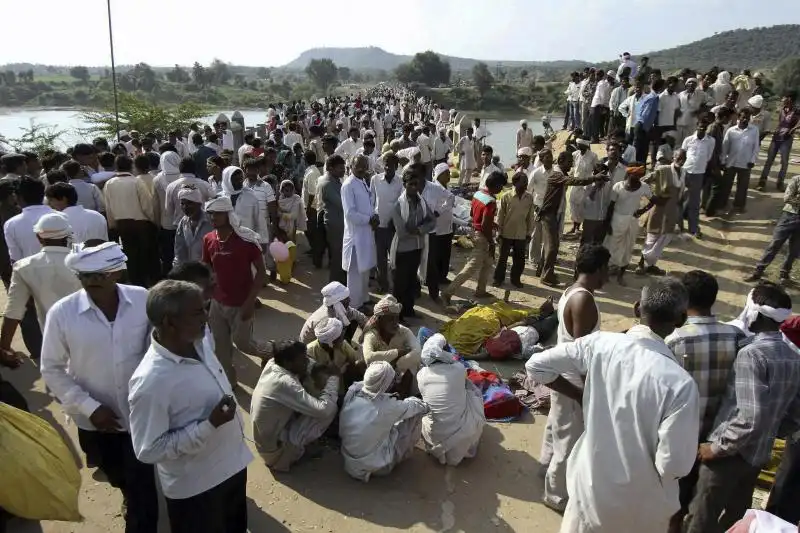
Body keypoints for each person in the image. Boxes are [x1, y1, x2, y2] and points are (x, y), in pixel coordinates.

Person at [526, 278, 700, 533]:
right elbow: (674, 464)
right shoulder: (681, 385)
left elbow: (536, 366)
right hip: (639, 507)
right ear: (681, 319)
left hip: (589, 490)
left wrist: (580, 396)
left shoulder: (599, 344)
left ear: (637, 308)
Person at [40, 242, 159, 532]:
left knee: (141, 483)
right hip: (95, 422)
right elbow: (51, 368)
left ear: (117, 272)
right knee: (114, 472)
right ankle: (127, 493)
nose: (92, 281)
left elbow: (161, 346)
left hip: (138, 416)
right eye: (85, 275)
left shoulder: (143, 300)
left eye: (100, 274)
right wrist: (90, 408)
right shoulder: (62, 313)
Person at [128, 280, 252, 533]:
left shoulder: (199, 342)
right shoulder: (151, 381)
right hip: (197, 489)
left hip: (232, 467)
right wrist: (208, 426)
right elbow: (148, 450)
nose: (207, 317)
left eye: (205, 308)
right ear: (168, 322)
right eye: (197, 313)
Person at [684, 283, 798, 533]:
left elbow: (749, 417)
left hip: (728, 457)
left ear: (755, 314)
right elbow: (794, 416)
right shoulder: (792, 356)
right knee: (735, 520)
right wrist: (769, 431)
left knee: (701, 519)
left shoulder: (752, 354)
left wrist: (716, 448)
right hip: (757, 456)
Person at [664, 271, 745, 533]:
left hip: (681, 436)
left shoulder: (674, 340)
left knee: (672, 499)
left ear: (683, 300)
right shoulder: (735, 336)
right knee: (695, 502)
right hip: (716, 441)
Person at [538, 243, 608, 513]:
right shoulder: (583, 299)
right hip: (573, 376)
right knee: (569, 437)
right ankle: (555, 495)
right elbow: (581, 351)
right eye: (607, 271)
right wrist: (590, 386)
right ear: (599, 269)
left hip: (563, 367)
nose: (608, 277)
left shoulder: (572, 291)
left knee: (557, 424)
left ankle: (545, 465)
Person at [202, 196, 272, 386]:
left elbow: (261, 274)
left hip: (242, 303)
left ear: (228, 215)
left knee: (243, 343)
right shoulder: (208, 240)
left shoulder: (245, 241)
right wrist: (207, 296)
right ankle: (228, 385)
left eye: (217, 213)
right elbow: (206, 268)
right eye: (211, 214)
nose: (213, 218)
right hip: (217, 304)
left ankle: (273, 352)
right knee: (221, 348)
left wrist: (250, 302)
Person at [0, 213, 81, 362]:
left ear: (39, 237)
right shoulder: (85, 261)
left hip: (53, 344)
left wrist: (4, 347)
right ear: (69, 235)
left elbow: (13, 310)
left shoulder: (24, 267)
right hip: (93, 339)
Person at [251, 340, 339, 472]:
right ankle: (293, 453)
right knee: (329, 408)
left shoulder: (273, 363)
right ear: (288, 362)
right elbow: (324, 410)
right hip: (274, 453)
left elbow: (309, 365)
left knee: (308, 385)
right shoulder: (285, 383)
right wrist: (333, 378)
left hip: (267, 439)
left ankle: (294, 443)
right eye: (303, 360)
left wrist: (319, 367)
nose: (307, 362)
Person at [339, 360, 429, 482]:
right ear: (385, 383)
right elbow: (416, 407)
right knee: (414, 415)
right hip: (378, 467)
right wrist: (425, 404)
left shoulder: (352, 391)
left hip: (349, 462)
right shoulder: (387, 407)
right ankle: (402, 453)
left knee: (384, 424)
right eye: (392, 380)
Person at [537, 153, 605, 286]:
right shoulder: (557, 174)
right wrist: (594, 178)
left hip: (554, 213)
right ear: (561, 161)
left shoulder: (559, 173)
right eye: (569, 162)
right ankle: (546, 276)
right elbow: (574, 181)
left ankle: (544, 272)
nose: (571, 165)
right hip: (549, 214)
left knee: (551, 246)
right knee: (552, 246)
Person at [417, 333, 485, 466]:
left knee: (426, 412)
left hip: (434, 437)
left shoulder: (421, 375)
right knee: (472, 393)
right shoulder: (459, 369)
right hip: (463, 438)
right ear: (445, 351)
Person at [441, 171, 506, 305]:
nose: (501, 189)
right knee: (471, 267)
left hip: (474, 231)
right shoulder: (491, 201)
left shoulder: (478, 194)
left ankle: (481, 290)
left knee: (488, 262)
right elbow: (485, 225)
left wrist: (489, 223)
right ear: (496, 185)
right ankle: (448, 292)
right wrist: (491, 242)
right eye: (501, 186)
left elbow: (473, 214)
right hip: (482, 236)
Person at [104, 155, 159, 287]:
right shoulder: (136, 182)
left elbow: (108, 207)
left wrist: (112, 225)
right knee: (144, 255)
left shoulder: (109, 184)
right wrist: (154, 221)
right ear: (131, 166)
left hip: (122, 225)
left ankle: (135, 283)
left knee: (130, 256)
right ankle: (146, 284)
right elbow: (147, 206)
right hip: (140, 225)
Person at [390, 164, 435, 318]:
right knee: (400, 285)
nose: (414, 188)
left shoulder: (421, 202)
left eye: (417, 184)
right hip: (403, 251)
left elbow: (432, 221)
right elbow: (402, 232)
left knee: (412, 283)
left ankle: (409, 311)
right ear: (404, 185)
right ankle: (397, 316)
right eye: (411, 184)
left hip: (417, 249)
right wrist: (420, 229)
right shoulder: (399, 205)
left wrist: (418, 230)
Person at [638, 149, 687, 275]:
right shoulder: (663, 170)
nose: (680, 160)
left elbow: (681, 192)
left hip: (672, 211)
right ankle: (641, 264)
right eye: (678, 157)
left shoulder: (683, 172)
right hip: (659, 208)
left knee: (664, 238)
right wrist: (652, 196)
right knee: (652, 237)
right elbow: (644, 180)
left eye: (683, 158)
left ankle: (651, 265)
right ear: (673, 157)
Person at [744, 173, 800, 283]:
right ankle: (758, 271)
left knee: (794, 250)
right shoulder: (797, 179)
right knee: (774, 244)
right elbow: (787, 198)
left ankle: (784, 274)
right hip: (790, 216)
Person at [603, 166, 655, 284]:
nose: (637, 178)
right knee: (611, 246)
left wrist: (642, 211)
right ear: (629, 174)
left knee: (628, 247)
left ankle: (620, 276)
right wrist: (607, 224)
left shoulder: (644, 187)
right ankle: (606, 272)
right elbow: (611, 206)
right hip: (616, 219)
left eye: (639, 176)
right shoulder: (618, 186)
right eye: (635, 175)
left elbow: (654, 200)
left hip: (632, 220)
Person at [341, 155, 378, 310]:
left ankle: (364, 299)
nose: (362, 169)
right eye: (359, 166)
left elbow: (368, 204)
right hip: (356, 236)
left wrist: (374, 216)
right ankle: (355, 305)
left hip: (366, 234)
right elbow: (350, 213)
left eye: (364, 165)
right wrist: (368, 219)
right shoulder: (348, 185)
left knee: (364, 270)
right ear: (351, 166)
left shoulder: (362, 181)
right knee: (355, 273)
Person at [493, 172, 534, 288]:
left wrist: (529, 233)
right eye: (523, 182)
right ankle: (498, 279)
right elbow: (500, 216)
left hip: (521, 233)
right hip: (506, 232)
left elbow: (530, 217)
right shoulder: (506, 196)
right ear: (516, 183)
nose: (526, 184)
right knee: (502, 258)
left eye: (526, 182)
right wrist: (499, 233)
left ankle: (515, 279)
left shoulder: (529, 198)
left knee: (519, 259)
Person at [362, 295, 422, 376]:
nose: (395, 322)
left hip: (397, 372)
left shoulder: (403, 331)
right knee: (360, 364)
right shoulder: (371, 335)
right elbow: (368, 358)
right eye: (390, 319)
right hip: (378, 374)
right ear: (380, 320)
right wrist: (397, 352)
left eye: (396, 318)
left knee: (412, 366)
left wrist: (397, 365)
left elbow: (418, 352)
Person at [369, 153, 402, 293]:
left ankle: (397, 286)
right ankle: (383, 285)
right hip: (378, 226)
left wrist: (395, 221)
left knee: (394, 259)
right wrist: (372, 218)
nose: (388, 167)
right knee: (380, 259)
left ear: (396, 166)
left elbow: (401, 203)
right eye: (386, 164)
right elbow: (371, 200)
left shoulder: (400, 181)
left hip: (393, 227)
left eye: (392, 164)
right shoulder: (375, 179)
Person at [580, 144, 625, 246]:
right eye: (612, 150)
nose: (614, 152)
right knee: (586, 242)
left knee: (601, 243)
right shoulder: (595, 172)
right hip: (591, 216)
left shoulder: (624, 171)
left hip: (607, 215)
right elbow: (587, 198)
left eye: (617, 150)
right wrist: (596, 185)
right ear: (607, 152)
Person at [423, 163, 455, 301]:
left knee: (445, 254)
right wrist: (439, 211)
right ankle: (432, 280)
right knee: (435, 257)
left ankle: (442, 276)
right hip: (437, 229)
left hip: (446, 227)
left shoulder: (444, 189)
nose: (449, 176)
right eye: (446, 173)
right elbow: (440, 206)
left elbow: (450, 202)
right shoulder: (434, 188)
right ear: (440, 175)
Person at [3, 176, 52, 262]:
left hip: (30, 273)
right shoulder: (62, 216)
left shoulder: (11, 224)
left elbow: (15, 259)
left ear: (19, 197)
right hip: (64, 272)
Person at [307, 317, 365, 390]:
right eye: (340, 337)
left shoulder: (342, 345)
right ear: (332, 342)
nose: (343, 338)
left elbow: (356, 359)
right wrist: (339, 372)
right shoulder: (310, 352)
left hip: (342, 381)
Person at [757, 93, 799, 192]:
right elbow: (776, 121)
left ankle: (780, 182)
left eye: (783, 97)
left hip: (786, 139)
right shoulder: (781, 109)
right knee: (769, 160)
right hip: (776, 137)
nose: (782, 99)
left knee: (784, 162)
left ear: (789, 98)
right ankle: (762, 181)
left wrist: (793, 129)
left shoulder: (796, 111)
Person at [317, 155, 347, 284]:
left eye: (343, 167)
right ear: (330, 168)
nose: (343, 170)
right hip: (335, 226)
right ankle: (334, 288)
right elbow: (343, 204)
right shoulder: (327, 184)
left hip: (340, 224)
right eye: (340, 168)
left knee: (340, 257)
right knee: (337, 258)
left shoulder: (335, 181)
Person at [154, 151, 183, 276]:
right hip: (184, 221)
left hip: (166, 223)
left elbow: (155, 204)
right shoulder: (184, 177)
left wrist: (156, 223)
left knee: (168, 255)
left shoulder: (157, 179)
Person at [164, 158, 213, 228]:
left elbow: (169, 210)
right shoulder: (205, 184)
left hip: (180, 226)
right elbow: (211, 205)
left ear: (179, 169)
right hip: (202, 225)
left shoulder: (171, 186)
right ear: (195, 169)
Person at [174, 186, 213, 267]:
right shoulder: (183, 222)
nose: (185, 207)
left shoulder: (211, 221)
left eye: (189, 203)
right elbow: (179, 249)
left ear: (199, 203)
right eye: (182, 203)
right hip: (189, 272)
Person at [566, 139, 598, 236]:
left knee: (582, 206)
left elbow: (596, 169)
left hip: (586, 184)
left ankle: (578, 227)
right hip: (575, 183)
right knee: (572, 204)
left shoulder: (593, 156)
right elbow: (572, 167)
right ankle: (574, 225)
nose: (577, 146)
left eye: (579, 144)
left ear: (585, 145)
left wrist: (595, 182)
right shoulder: (575, 154)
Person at [676, 78, 704, 145]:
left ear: (696, 85)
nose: (691, 84)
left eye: (694, 83)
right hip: (680, 122)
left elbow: (711, 101)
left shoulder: (700, 94)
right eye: (690, 82)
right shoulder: (681, 94)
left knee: (689, 142)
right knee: (677, 142)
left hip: (692, 122)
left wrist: (700, 110)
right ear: (686, 84)